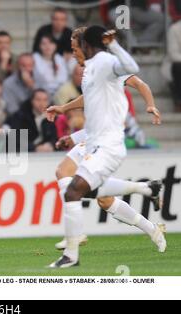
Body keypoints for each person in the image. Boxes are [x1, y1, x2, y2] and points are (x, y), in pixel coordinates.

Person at [46, 26, 166, 268]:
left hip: (107, 142)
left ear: (86, 46)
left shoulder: (106, 63)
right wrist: (66, 114)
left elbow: (137, 78)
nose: (72, 54)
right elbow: (89, 99)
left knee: (76, 191)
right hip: (91, 137)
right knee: (79, 184)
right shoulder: (90, 69)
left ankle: (73, 248)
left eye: (74, 48)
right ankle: (147, 194)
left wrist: (150, 105)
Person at [168, 20, 181, 112]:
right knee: (178, 67)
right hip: (177, 63)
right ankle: (179, 102)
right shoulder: (175, 29)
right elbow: (174, 55)